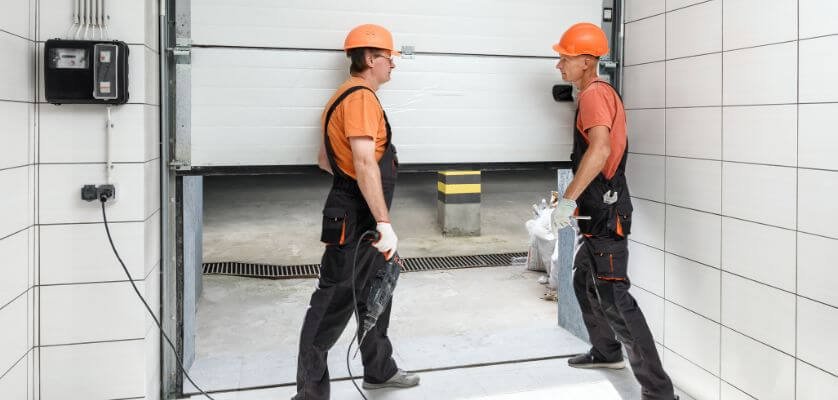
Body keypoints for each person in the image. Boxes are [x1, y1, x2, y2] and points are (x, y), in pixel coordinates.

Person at [550, 22, 678, 400]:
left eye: (565, 58)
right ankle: (607, 352)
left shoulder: (593, 95)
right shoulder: (593, 93)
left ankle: (658, 391)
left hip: (605, 212)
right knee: (581, 280)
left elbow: (601, 150)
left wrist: (569, 197)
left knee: (616, 300)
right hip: (599, 210)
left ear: (587, 61)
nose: (559, 65)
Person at [292, 23, 420, 400]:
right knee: (333, 302)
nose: (393, 65)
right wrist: (382, 220)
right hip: (355, 218)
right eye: (388, 58)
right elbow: (364, 163)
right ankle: (310, 394)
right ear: (369, 59)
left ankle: (379, 371)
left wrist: (359, 190)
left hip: (356, 211)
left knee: (377, 291)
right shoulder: (361, 98)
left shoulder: (345, 96)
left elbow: (323, 160)